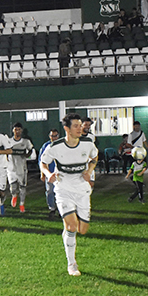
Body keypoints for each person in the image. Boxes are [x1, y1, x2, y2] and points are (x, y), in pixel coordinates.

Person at [40, 113, 98, 277]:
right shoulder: (55, 146)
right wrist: (47, 173)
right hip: (63, 189)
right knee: (72, 227)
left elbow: (94, 157)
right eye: (76, 126)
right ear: (67, 128)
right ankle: (71, 264)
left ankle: (67, 231)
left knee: (82, 229)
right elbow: (43, 162)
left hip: (82, 189)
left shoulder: (88, 143)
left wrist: (89, 171)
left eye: (81, 125)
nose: (81, 128)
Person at [7, 122, 33, 213]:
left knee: (22, 186)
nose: (17, 131)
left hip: (22, 168)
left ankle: (22, 203)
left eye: (19, 129)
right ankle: (14, 195)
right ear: (13, 130)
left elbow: (30, 150)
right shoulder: (9, 141)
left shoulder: (26, 141)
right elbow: (5, 152)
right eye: (15, 129)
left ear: (21, 131)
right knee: (13, 187)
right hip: (11, 168)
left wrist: (27, 155)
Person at [39, 128, 60, 219]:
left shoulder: (61, 145)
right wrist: (43, 173)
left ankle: (60, 208)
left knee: (59, 191)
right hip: (49, 173)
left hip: (59, 173)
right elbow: (41, 161)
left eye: (55, 136)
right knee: (50, 191)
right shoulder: (46, 146)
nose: (54, 138)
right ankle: (52, 208)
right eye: (52, 136)